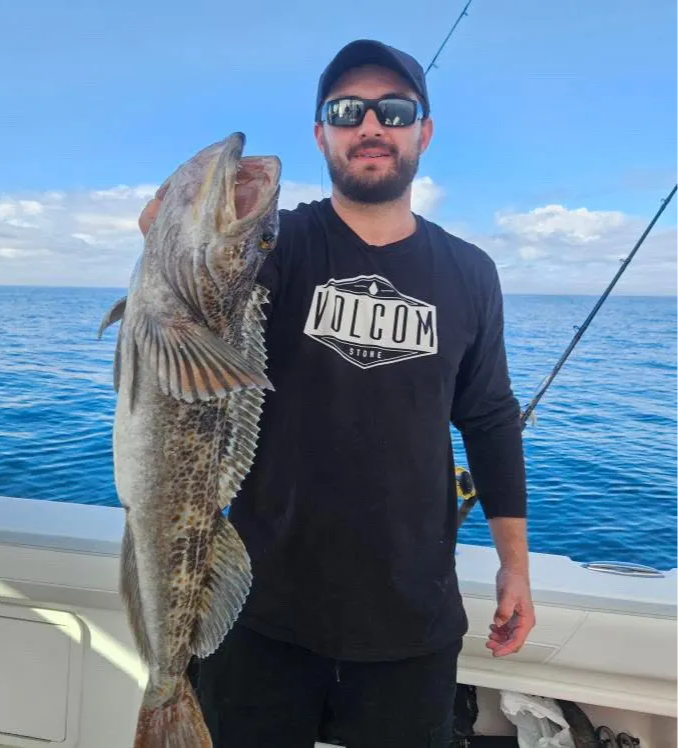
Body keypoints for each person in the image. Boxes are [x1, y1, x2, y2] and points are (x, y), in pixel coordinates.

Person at [138, 38, 536, 748]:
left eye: (394, 108)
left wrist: (514, 566)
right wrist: (174, 233)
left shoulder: (470, 272)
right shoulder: (274, 244)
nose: (370, 125)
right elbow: (198, 312)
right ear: (322, 132)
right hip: (258, 609)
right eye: (348, 109)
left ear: (424, 130)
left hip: (411, 618)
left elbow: (489, 418)